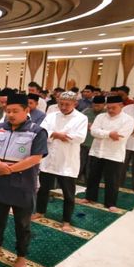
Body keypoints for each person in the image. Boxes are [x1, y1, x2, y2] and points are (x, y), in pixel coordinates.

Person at [0, 94, 48, 267]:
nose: (10, 114)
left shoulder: (37, 131)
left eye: (15, 111)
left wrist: (10, 169)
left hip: (23, 184)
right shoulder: (0, 128)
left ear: (26, 110)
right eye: (8, 111)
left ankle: (21, 256)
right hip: (0, 181)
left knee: (22, 223)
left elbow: (36, 157)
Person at [33, 92, 87, 232]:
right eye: (61, 104)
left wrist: (58, 134)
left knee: (68, 194)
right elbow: (42, 132)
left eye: (67, 104)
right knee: (43, 189)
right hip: (49, 159)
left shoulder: (81, 118)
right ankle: (40, 211)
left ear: (75, 104)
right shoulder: (51, 116)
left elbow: (80, 137)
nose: (63, 107)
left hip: (67, 161)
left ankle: (66, 221)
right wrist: (57, 134)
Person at [82, 95, 134, 211]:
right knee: (93, 177)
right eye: (108, 107)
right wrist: (110, 134)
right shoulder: (101, 117)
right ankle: (90, 197)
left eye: (113, 108)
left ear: (121, 106)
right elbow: (93, 132)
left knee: (112, 180)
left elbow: (121, 136)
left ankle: (110, 203)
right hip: (97, 152)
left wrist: (102, 133)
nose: (110, 110)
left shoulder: (128, 120)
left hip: (114, 154)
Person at [79, 95, 106, 182]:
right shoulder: (86, 112)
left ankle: (89, 179)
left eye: (98, 105)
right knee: (81, 161)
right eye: (94, 105)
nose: (96, 107)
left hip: (98, 143)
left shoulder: (106, 114)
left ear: (104, 105)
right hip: (84, 142)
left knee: (92, 164)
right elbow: (78, 123)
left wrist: (94, 127)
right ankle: (78, 177)